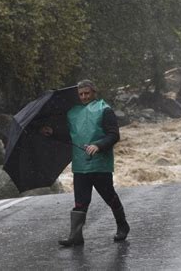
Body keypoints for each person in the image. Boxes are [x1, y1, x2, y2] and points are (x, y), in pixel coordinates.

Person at [41, 79, 130, 246]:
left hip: (100, 163)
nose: (84, 97)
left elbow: (113, 135)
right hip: (80, 164)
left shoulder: (105, 109)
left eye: (87, 93)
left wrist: (98, 145)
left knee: (109, 196)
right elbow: (70, 136)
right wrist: (52, 133)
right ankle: (75, 236)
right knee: (80, 201)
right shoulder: (73, 112)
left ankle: (122, 225)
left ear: (94, 93)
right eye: (81, 94)